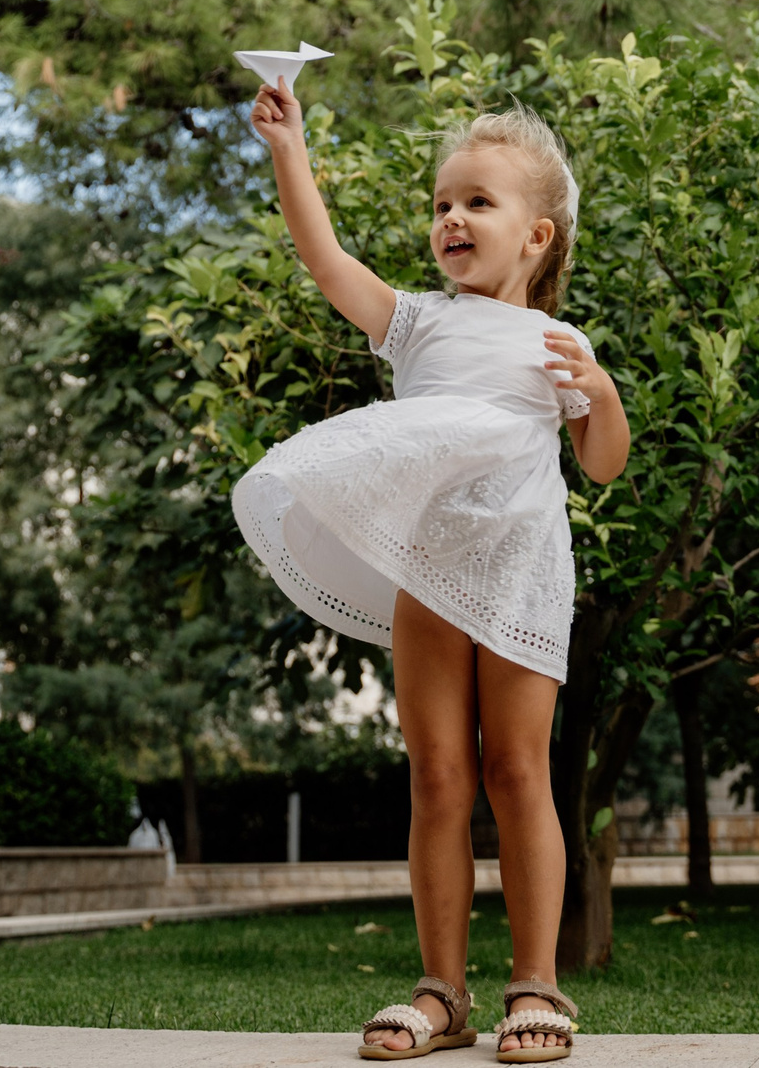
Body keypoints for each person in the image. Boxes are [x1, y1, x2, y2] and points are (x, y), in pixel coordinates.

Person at [236, 91, 629, 1064]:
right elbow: (326, 261)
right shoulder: (415, 324)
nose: (451, 218)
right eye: (443, 203)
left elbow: (602, 463)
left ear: (536, 235)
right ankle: (441, 993)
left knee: (518, 771)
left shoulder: (559, 346)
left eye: (478, 204)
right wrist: (290, 144)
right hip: (427, 572)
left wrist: (605, 396)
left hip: (519, 572)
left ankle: (536, 984)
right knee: (438, 777)